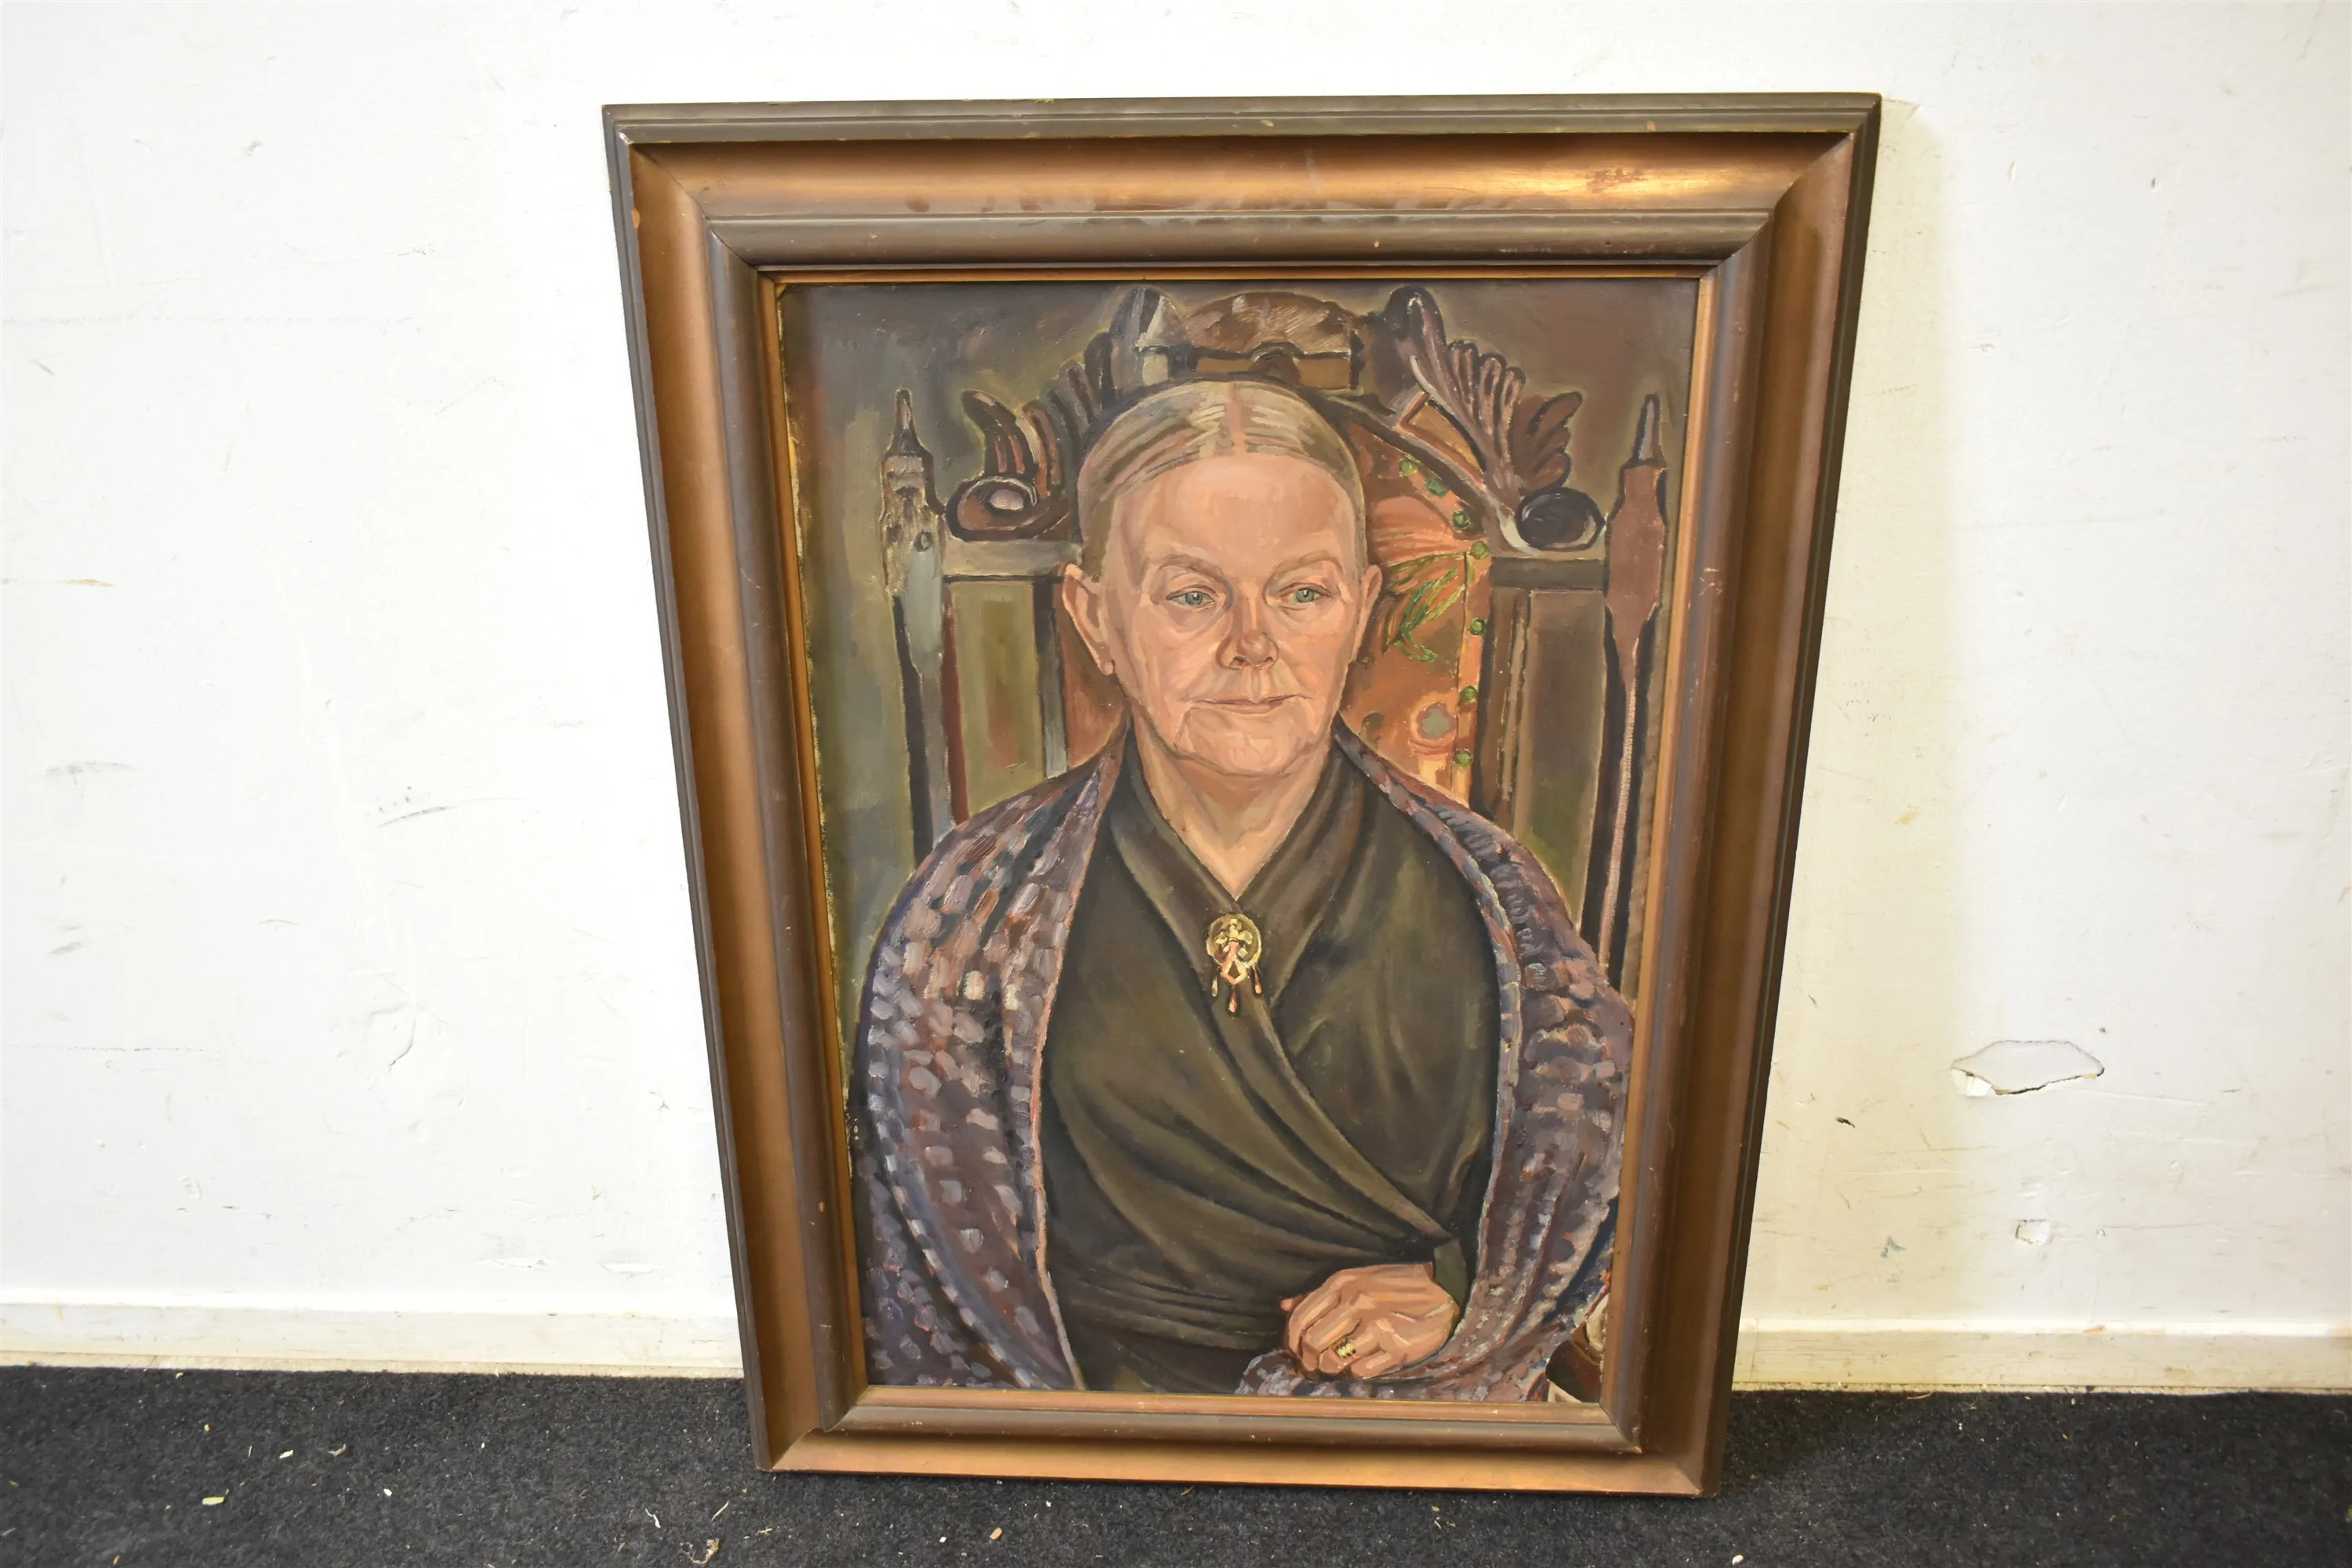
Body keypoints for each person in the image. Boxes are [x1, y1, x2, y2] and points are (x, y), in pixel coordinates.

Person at [851, 379, 1628, 1400]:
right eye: (1192, 595)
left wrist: (1459, 1292)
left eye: (1302, 593)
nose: (1252, 645)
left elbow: (1588, 1217)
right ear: (1095, 617)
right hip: (1078, 1425)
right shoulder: (970, 911)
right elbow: (926, 1289)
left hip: (1404, 1419)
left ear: (1363, 610)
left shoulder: (1496, 902)